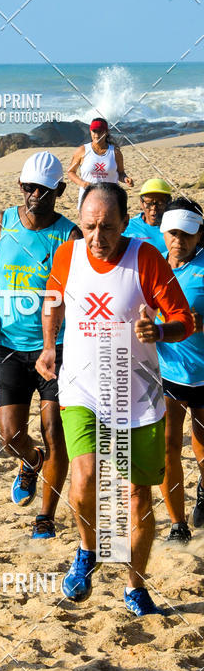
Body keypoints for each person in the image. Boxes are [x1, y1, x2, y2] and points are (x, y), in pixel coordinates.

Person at [36, 182, 193, 616]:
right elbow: (53, 302)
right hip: (81, 389)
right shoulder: (67, 255)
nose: (96, 237)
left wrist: (159, 330)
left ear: (126, 222)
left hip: (138, 397)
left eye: (107, 227)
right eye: (89, 226)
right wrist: (48, 347)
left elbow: (184, 319)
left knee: (137, 496)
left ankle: (135, 587)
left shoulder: (146, 258)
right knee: (84, 478)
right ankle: (89, 549)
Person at [0, 151, 80, 538]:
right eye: (29, 187)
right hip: (8, 345)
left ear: (60, 189)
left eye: (44, 189)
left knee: (54, 431)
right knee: (10, 437)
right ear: (20, 185)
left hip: (55, 349)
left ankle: (45, 517)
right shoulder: (0, 223)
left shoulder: (69, 236)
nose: (35, 194)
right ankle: (31, 460)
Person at [156, 197, 204, 541]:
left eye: (187, 233)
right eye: (173, 233)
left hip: (202, 374)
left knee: (201, 445)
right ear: (163, 232)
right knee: (168, 446)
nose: (179, 240)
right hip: (165, 372)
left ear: (200, 234)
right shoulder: (153, 266)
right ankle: (177, 524)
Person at [68, 118, 133, 209]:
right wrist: (83, 184)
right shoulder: (82, 150)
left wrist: (126, 179)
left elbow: (121, 173)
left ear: (106, 132)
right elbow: (70, 172)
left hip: (110, 201)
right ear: (90, 131)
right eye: (94, 131)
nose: (97, 135)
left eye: (100, 131)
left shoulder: (115, 153)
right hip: (88, 201)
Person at [126, 178, 173, 252]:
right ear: (141, 203)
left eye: (160, 203)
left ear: (169, 202)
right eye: (149, 203)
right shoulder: (128, 227)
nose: (154, 208)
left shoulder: (176, 226)